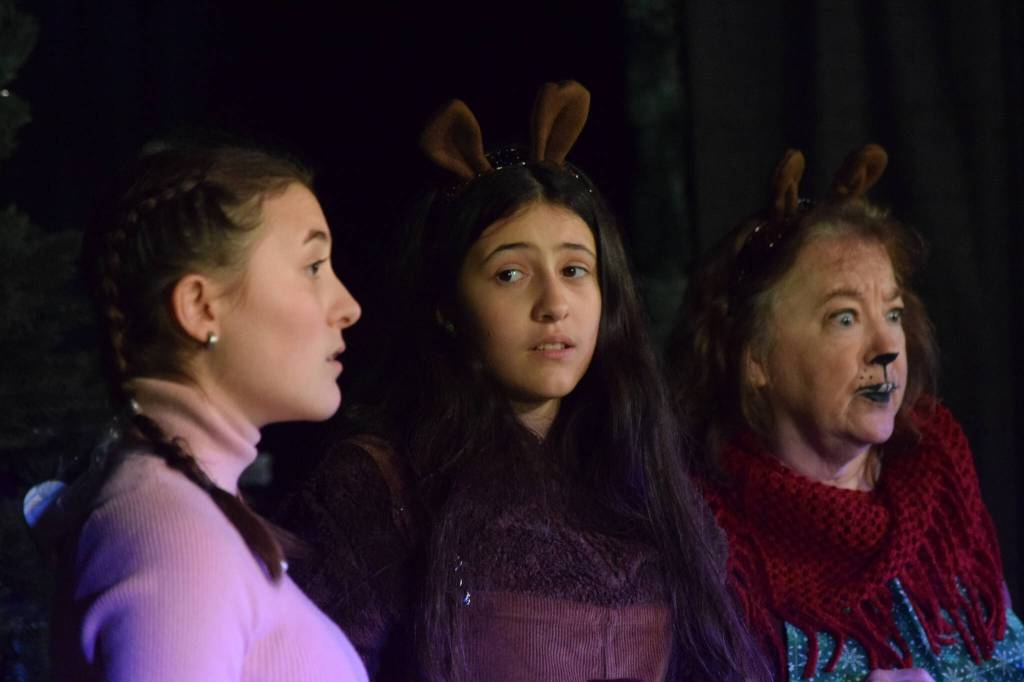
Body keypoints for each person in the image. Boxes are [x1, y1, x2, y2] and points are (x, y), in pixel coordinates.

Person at [279, 82, 768, 681]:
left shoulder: (650, 479)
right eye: (510, 273)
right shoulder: (382, 484)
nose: (554, 303)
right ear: (447, 305)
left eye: (575, 270)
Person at [668, 144, 1024, 681]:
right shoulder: (704, 538)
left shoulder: (939, 475)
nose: (887, 346)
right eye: (845, 318)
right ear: (756, 358)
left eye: (894, 312)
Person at [48, 144, 368, 681]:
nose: (347, 306)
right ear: (200, 307)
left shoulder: (182, 511)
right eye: (312, 266)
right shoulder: (174, 535)